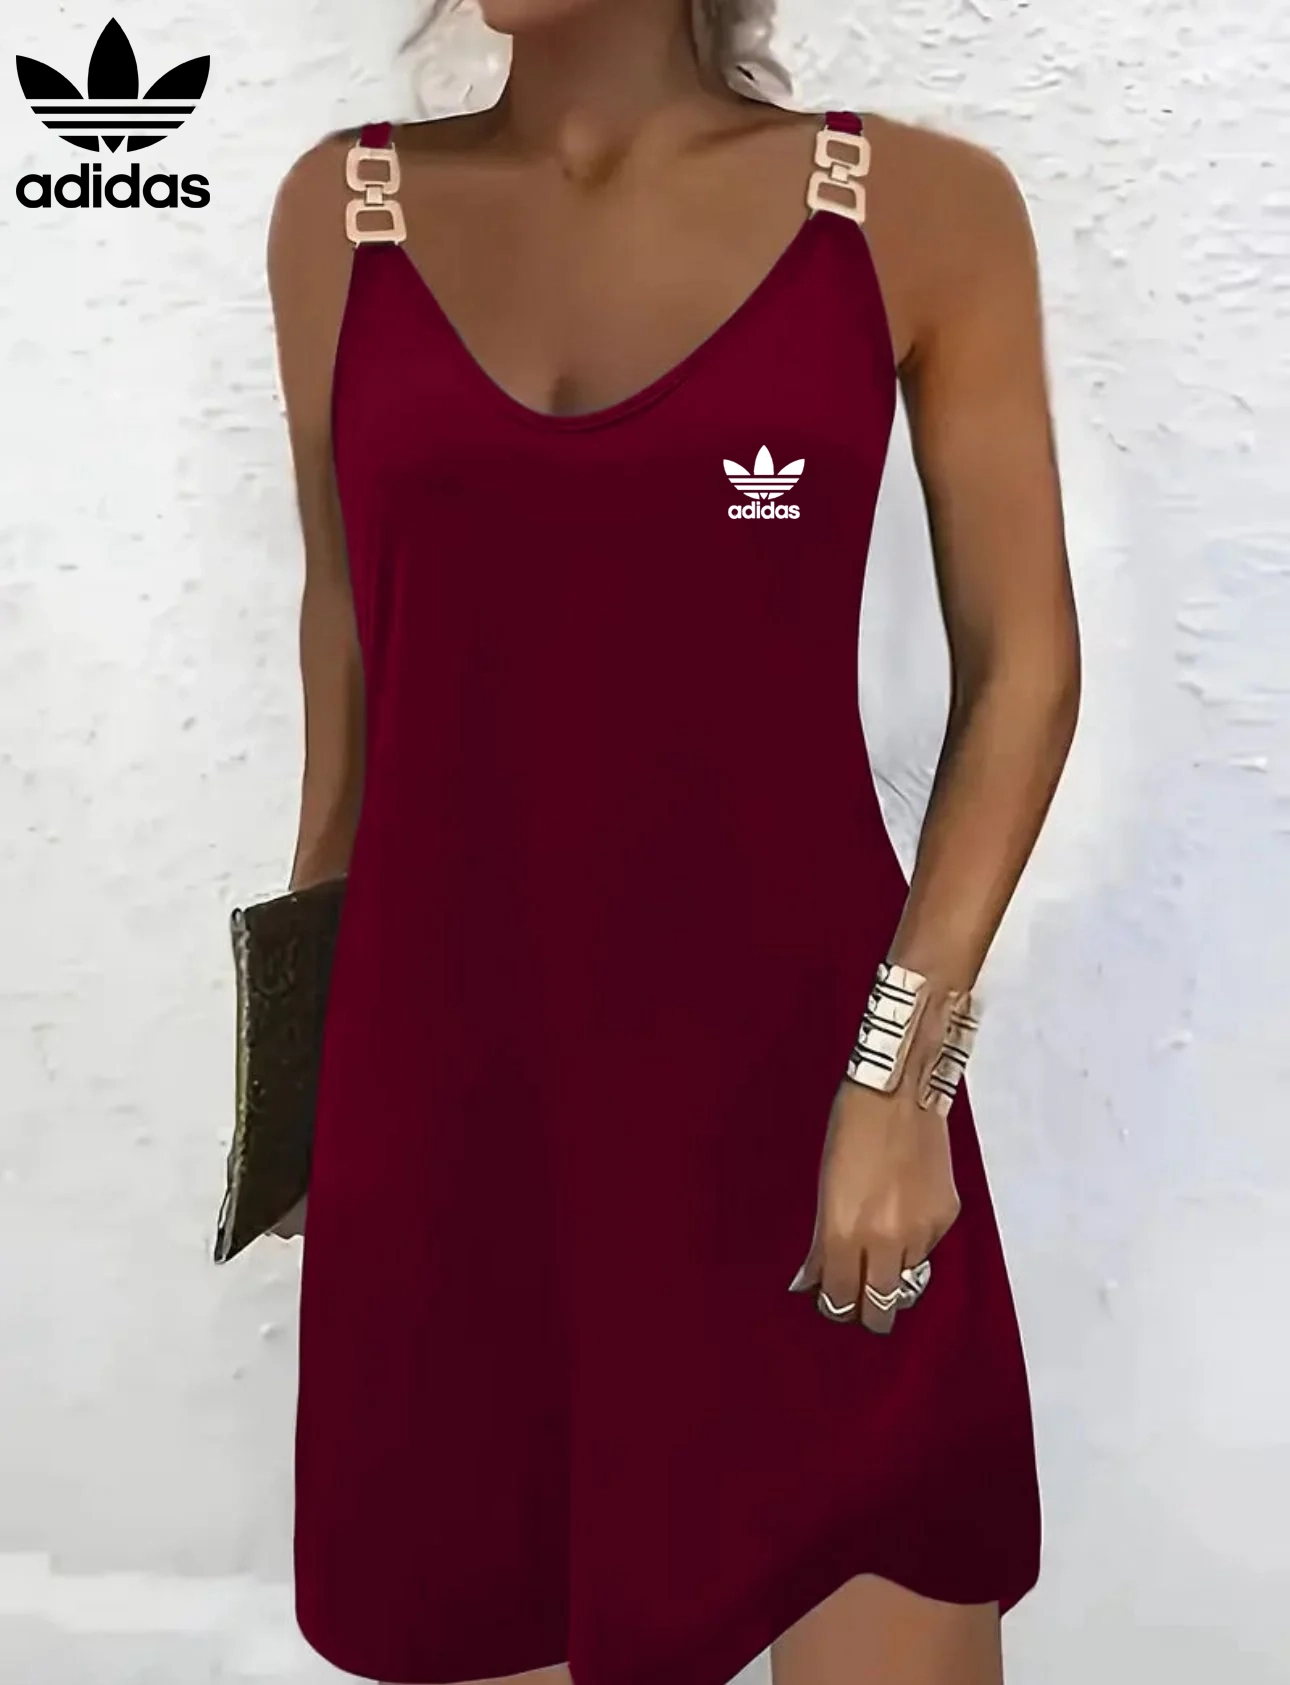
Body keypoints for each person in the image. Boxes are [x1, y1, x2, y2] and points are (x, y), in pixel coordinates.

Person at [265, 1, 1080, 1681]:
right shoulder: (341, 216)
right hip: (453, 1113)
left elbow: (1024, 665)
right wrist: (294, 1090)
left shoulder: (913, 212)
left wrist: (899, 1081)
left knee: (888, 1570)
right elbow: (346, 647)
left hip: (808, 1117)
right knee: (477, 1588)